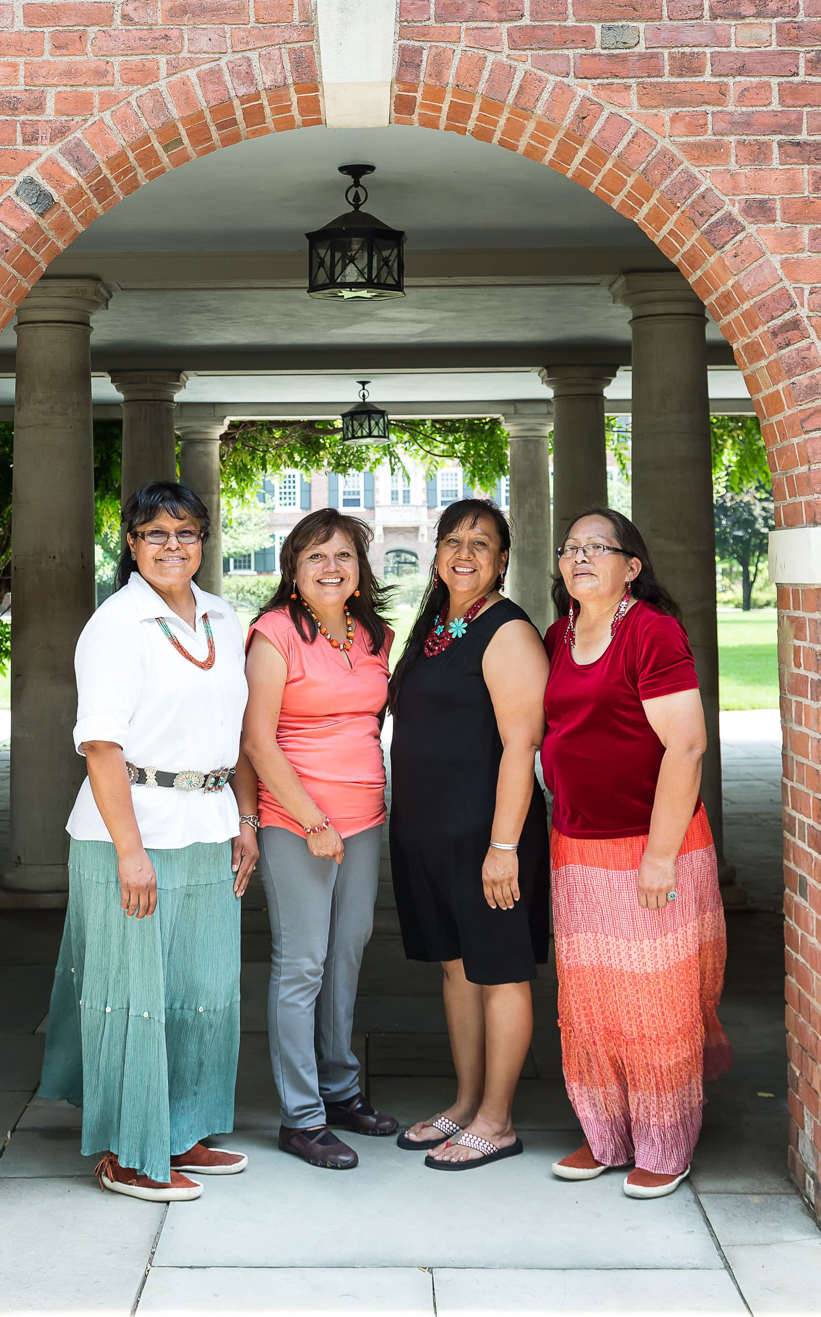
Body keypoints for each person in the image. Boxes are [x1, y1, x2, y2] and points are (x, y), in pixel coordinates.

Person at [38, 480, 259, 1203]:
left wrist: (246, 821)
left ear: (204, 541)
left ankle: (180, 1128)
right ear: (131, 543)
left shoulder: (225, 619)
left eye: (187, 532)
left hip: (207, 821)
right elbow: (101, 746)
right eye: (156, 533)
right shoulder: (116, 624)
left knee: (201, 989)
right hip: (129, 828)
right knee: (129, 993)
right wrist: (129, 850)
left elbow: (244, 734)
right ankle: (125, 1149)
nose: (173, 545)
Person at [543, 508, 732, 1200]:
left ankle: (664, 1143)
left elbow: (685, 745)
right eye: (571, 548)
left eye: (599, 547)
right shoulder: (558, 633)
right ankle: (607, 1135)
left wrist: (658, 857)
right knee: (593, 1003)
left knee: (656, 1002)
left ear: (632, 566)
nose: (581, 557)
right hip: (576, 847)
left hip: (655, 848)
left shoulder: (652, 632)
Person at [388, 498, 551, 1172]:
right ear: (435, 554)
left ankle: (498, 1120)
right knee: (457, 969)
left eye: (480, 543)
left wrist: (503, 846)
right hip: (428, 831)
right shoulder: (435, 628)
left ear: (502, 560)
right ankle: (465, 1102)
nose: (464, 552)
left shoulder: (507, 630)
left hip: (490, 836)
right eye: (452, 540)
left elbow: (522, 745)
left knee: (500, 971)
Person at [242, 509, 398, 1170]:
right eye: (314, 557)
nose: (330, 567)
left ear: (360, 571)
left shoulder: (375, 635)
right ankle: (302, 1117)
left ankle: (340, 1089)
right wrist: (312, 822)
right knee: (302, 964)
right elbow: (256, 740)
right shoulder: (274, 634)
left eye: (343, 556)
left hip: (365, 821)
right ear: (293, 574)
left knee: (348, 955)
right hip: (297, 822)